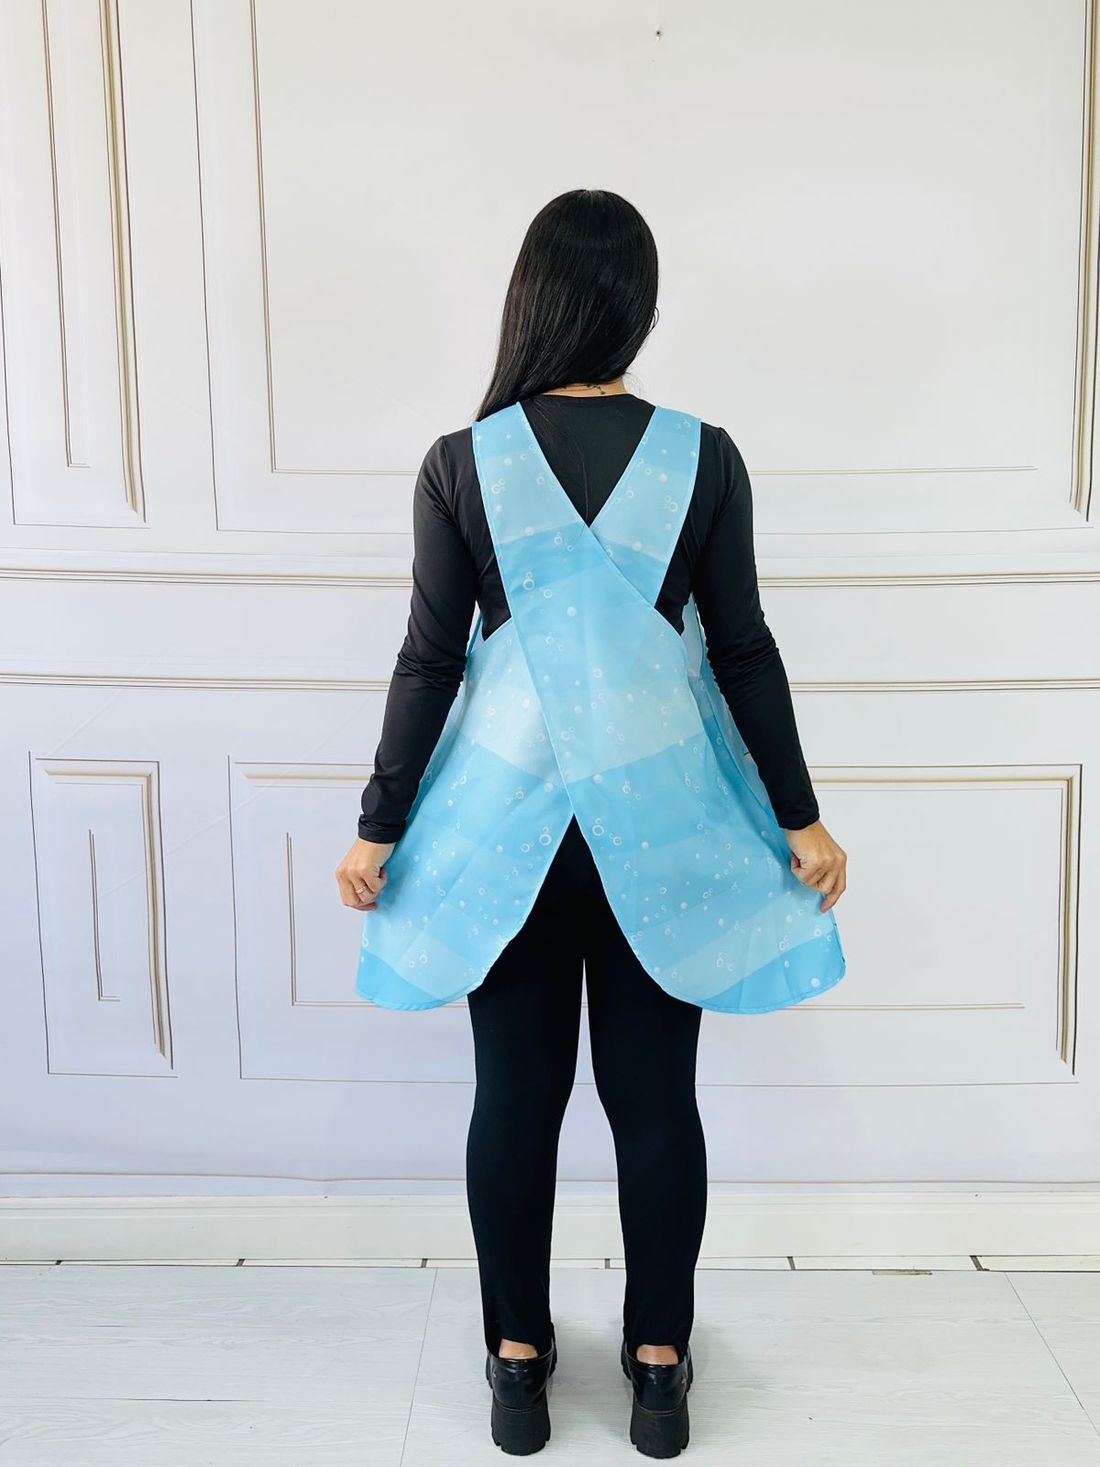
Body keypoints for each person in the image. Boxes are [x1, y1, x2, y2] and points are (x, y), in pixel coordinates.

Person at [336, 188, 847, 1457]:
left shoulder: (462, 459)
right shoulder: (702, 456)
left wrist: (377, 828)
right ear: (637, 303)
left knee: (512, 1099)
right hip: (659, 834)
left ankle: (517, 1365)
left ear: (532, 298)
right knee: (654, 1099)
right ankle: (659, 1367)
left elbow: (428, 660)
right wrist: (801, 819)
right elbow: (740, 648)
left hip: (502, 831)